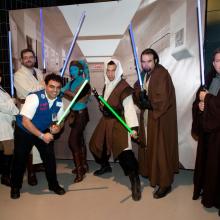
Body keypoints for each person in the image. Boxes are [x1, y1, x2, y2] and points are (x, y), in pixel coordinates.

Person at [89, 59, 141, 201]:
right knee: (96, 144)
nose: (111, 74)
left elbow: (129, 110)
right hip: (106, 121)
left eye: (113, 70)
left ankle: (135, 181)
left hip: (118, 121)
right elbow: (107, 103)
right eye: (108, 70)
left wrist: (133, 128)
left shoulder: (124, 87)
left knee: (124, 151)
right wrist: (102, 105)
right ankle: (105, 166)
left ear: (118, 71)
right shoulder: (107, 85)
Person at [10, 73, 65, 199]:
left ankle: (53, 184)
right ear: (45, 86)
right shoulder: (34, 97)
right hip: (24, 130)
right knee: (20, 158)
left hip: (43, 129)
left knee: (49, 158)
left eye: (58, 87)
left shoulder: (59, 102)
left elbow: (60, 121)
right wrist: (41, 136)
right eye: (51, 86)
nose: (55, 90)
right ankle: (15, 186)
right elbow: (25, 121)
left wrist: (57, 128)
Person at [133, 48, 179, 199]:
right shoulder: (145, 74)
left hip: (160, 119)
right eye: (143, 61)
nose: (145, 64)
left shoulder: (161, 73)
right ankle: (151, 173)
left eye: (149, 61)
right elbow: (137, 90)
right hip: (149, 117)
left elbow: (164, 98)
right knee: (149, 147)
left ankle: (165, 183)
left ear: (156, 61)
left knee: (161, 150)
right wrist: (140, 97)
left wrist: (150, 104)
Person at [192, 48, 220, 216]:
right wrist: (200, 106)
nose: (219, 64)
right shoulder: (209, 79)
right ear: (213, 63)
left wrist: (207, 100)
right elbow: (199, 99)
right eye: (217, 60)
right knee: (209, 165)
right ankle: (209, 194)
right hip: (208, 132)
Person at [14, 48, 45, 186]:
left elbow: (43, 89)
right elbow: (28, 92)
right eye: (25, 57)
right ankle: (30, 172)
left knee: (39, 138)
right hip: (26, 110)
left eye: (30, 57)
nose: (28, 59)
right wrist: (42, 85)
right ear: (21, 60)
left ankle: (37, 165)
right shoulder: (18, 75)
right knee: (27, 143)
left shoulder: (38, 72)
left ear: (34, 58)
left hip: (39, 110)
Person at [60, 60, 90, 183]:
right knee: (79, 140)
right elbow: (62, 90)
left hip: (82, 115)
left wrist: (63, 90)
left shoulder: (84, 83)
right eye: (71, 69)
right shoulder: (72, 81)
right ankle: (84, 166)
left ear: (80, 70)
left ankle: (79, 171)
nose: (72, 71)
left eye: (74, 69)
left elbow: (74, 96)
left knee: (73, 141)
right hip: (74, 115)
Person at [0, 70, 19, 186]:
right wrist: (12, 101)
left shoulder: (2, 90)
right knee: (8, 153)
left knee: (6, 153)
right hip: (3, 128)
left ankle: (5, 175)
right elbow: (5, 107)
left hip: (6, 125)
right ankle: (5, 177)